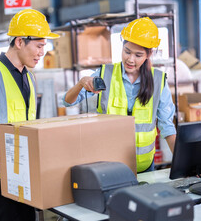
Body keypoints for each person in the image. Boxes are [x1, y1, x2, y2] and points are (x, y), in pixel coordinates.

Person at [0, 9, 59, 221]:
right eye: (38, 46)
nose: (42, 52)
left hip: (24, 174)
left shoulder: (29, 77)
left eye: (44, 46)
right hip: (0, 177)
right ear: (19, 42)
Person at [64, 17, 176, 173]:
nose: (130, 59)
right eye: (127, 52)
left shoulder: (158, 80)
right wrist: (81, 83)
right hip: (110, 167)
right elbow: (68, 102)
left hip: (145, 167)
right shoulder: (105, 74)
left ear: (148, 55)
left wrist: (185, 165)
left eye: (138, 55)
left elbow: (168, 128)